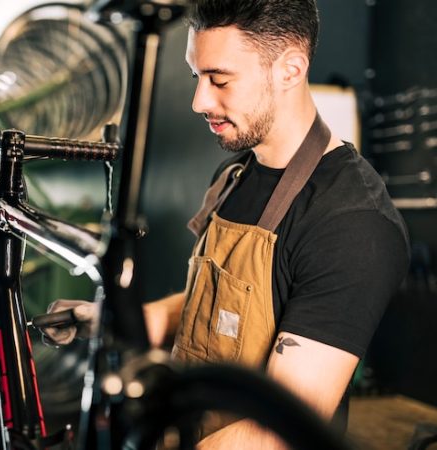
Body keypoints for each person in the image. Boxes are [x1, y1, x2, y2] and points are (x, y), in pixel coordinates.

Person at [43, 0, 410, 448]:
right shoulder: (234, 178)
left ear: (290, 70)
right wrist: (109, 320)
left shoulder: (352, 222)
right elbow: (215, 305)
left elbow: (272, 432)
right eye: (198, 76)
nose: (200, 100)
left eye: (220, 79)